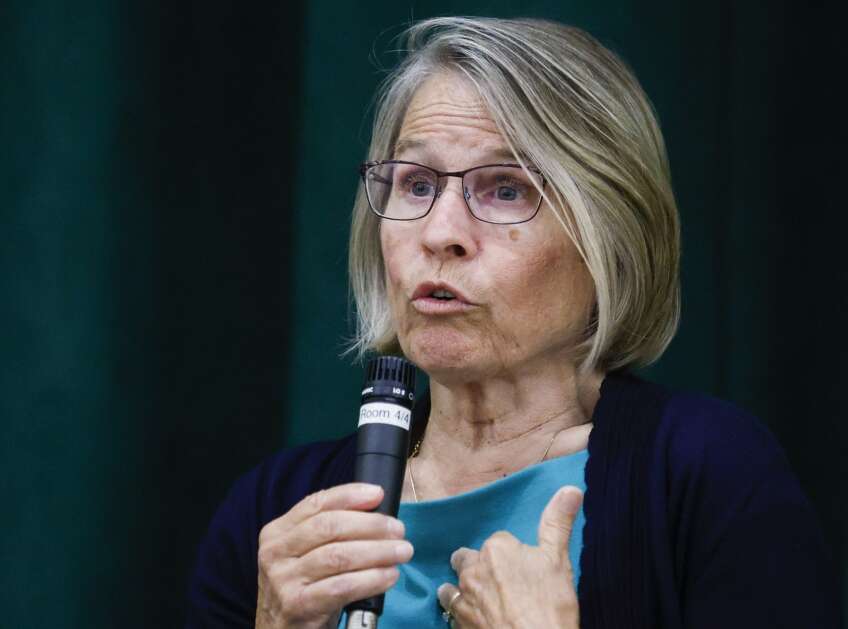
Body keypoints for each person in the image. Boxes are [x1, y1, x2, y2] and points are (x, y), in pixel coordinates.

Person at [186, 16, 840, 629]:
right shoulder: (272, 511)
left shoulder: (709, 474)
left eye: (506, 188)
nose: (441, 233)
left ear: (607, 236)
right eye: (416, 184)